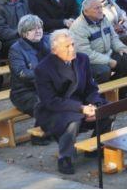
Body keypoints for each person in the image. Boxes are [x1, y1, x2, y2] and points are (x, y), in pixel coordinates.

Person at [34, 29, 111, 175]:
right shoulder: (43, 68)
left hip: (79, 104)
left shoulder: (82, 59)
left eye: (73, 44)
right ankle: (65, 157)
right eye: (67, 46)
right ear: (54, 50)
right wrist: (81, 108)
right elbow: (50, 101)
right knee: (73, 119)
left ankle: (96, 146)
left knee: (108, 108)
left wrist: (95, 105)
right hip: (53, 110)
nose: (72, 49)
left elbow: (91, 87)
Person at [70, 0, 127, 85]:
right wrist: (108, 61)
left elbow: (113, 37)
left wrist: (120, 47)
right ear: (86, 11)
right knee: (103, 71)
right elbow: (86, 54)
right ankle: (100, 96)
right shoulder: (78, 27)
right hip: (88, 62)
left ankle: (121, 93)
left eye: (100, 7)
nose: (100, 10)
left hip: (107, 53)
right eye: (96, 8)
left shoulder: (103, 19)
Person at [8, 15, 50, 118]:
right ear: (23, 33)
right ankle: (40, 133)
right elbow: (22, 73)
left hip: (48, 87)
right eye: (32, 29)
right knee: (46, 108)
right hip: (25, 92)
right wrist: (47, 75)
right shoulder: (16, 49)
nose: (38, 31)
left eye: (39, 28)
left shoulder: (48, 40)